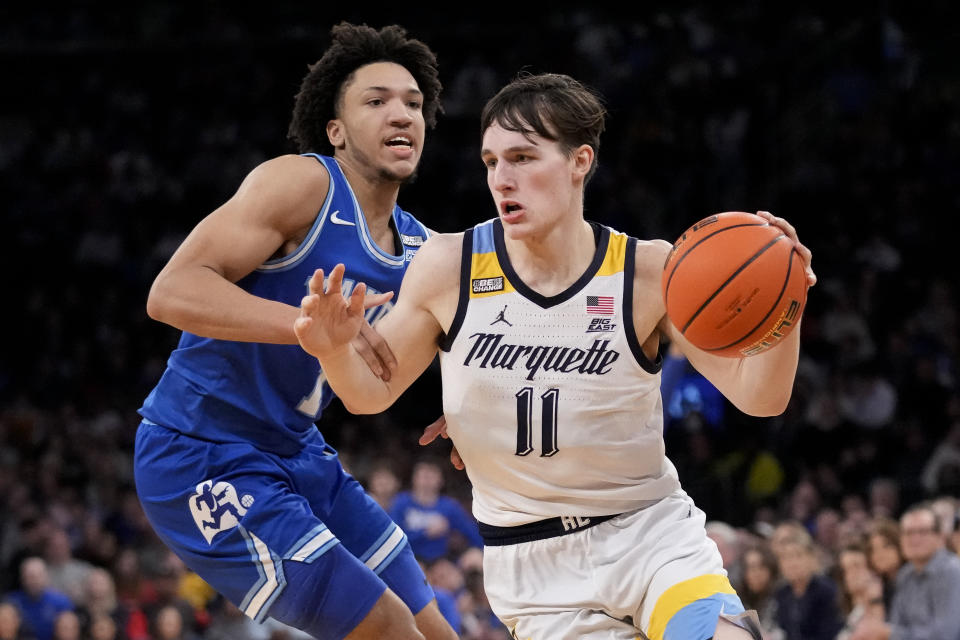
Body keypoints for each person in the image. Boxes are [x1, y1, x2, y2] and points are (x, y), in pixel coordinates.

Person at [293, 71, 817, 639]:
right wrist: (332, 350)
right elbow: (371, 393)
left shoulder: (645, 271)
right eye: (492, 162)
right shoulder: (450, 267)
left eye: (522, 157)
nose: (502, 178)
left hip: (650, 536)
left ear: (579, 162)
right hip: (534, 565)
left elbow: (761, 398)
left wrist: (783, 310)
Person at [132, 21, 457, 640]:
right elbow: (170, 291)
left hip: (299, 452)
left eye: (414, 104)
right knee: (385, 626)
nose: (403, 115)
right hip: (198, 449)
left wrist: (472, 411)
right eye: (377, 100)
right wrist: (310, 329)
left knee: (431, 623)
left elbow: (462, 353)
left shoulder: (425, 249)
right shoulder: (303, 184)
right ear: (335, 131)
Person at [850, 502, 960, 639]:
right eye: (908, 533)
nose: (914, 539)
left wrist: (888, 632)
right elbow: (897, 624)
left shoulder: (953, 572)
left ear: (940, 538)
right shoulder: (905, 575)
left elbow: (947, 635)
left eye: (922, 532)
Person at [388, 459, 484, 563]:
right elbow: (393, 539)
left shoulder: (449, 506)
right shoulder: (400, 502)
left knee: (475, 557)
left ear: (440, 480)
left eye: (432, 476)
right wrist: (425, 533)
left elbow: (474, 534)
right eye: (423, 476)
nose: (427, 481)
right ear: (414, 478)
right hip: (409, 559)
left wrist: (466, 551)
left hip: (441, 561)